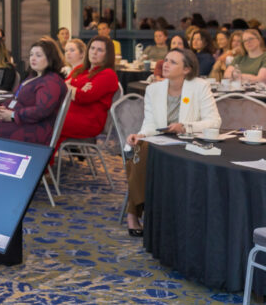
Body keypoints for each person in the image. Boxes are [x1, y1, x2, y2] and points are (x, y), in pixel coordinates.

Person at [124, 48, 220, 237]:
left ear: (186, 69)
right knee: (138, 150)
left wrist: (185, 127)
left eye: (173, 62)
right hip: (160, 141)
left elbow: (215, 121)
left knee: (137, 159)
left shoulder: (200, 86)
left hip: (188, 142)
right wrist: (140, 135)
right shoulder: (153, 89)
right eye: (166, 60)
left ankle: (134, 212)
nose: (165, 64)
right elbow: (150, 123)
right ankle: (135, 212)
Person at [0, 38, 67, 144]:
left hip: (34, 129)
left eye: (38, 55)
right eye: (31, 55)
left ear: (50, 58)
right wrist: (4, 108)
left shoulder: (51, 81)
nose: (33, 58)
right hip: (22, 122)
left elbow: (42, 110)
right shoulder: (34, 76)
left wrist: (13, 115)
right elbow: (17, 97)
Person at [58, 36, 119, 147]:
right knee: (40, 118)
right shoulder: (80, 69)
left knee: (47, 122)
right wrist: (75, 89)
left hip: (89, 121)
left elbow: (83, 97)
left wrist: (70, 87)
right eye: (92, 48)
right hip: (69, 114)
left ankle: (40, 156)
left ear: (107, 55)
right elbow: (61, 89)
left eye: (100, 50)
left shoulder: (108, 74)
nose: (94, 52)